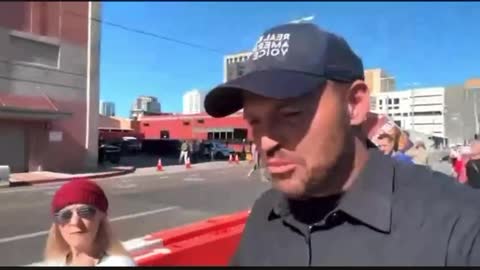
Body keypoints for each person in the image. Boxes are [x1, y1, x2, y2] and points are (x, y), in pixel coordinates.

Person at [204, 22, 480, 266]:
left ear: (354, 105)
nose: (265, 142)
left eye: (290, 115)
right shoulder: (265, 214)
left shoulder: (458, 225)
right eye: (255, 122)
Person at [40, 178, 136, 266]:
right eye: (65, 215)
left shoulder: (120, 264)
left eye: (85, 212)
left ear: (102, 217)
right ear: (58, 225)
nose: (75, 222)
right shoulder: (54, 263)